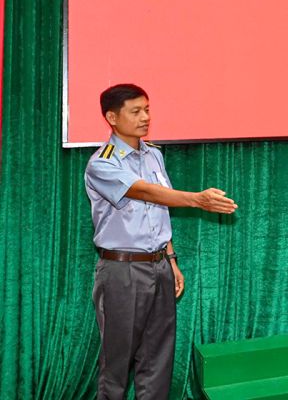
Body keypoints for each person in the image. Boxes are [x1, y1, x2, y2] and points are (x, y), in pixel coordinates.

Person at [85, 84, 238, 400]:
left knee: (158, 359)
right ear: (112, 117)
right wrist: (196, 199)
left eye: (147, 109)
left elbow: (158, 209)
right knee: (117, 363)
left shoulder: (153, 154)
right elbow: (144, 191)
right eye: (135, 111)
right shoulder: (103, 163)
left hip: (159, 266)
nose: (145, 117)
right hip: (123, 271)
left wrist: (171, 259)